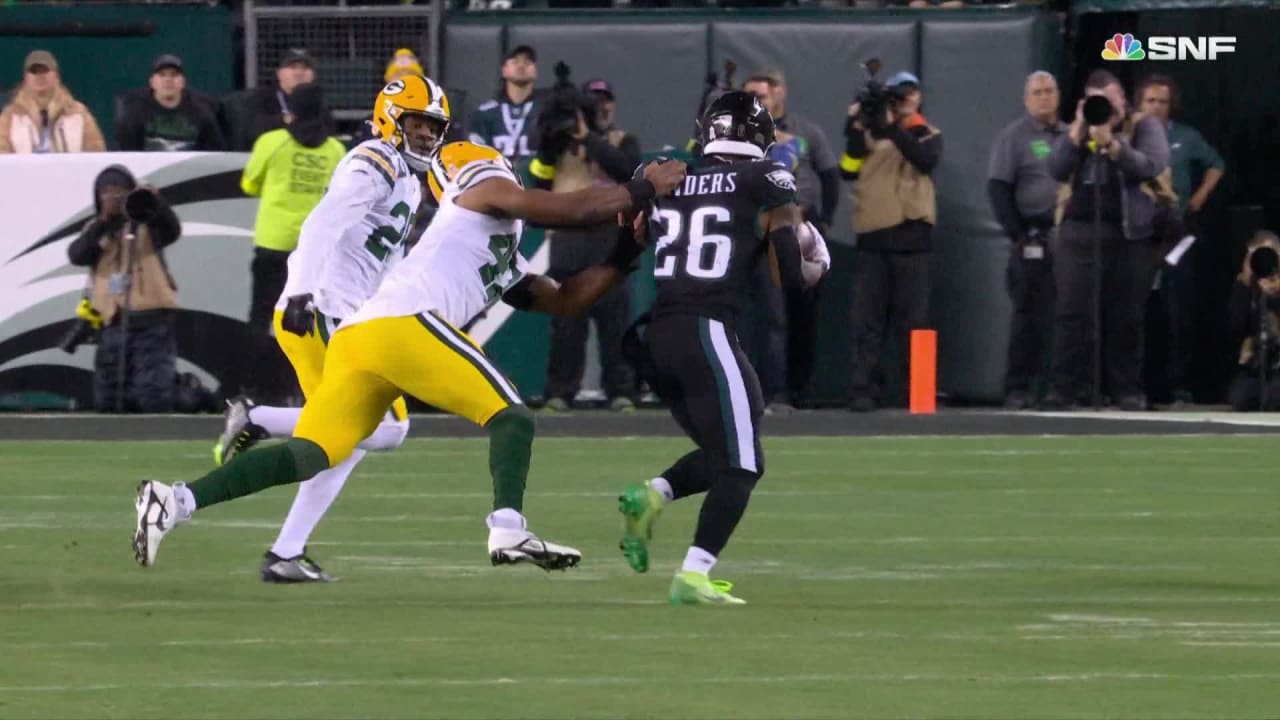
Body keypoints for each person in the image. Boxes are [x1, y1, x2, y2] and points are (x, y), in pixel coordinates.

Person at [133, 141, 687, 574]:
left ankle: (174, 500)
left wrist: (627, 249)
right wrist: (642, 186)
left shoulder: (494, 243)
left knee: (310, 455)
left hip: (360, 338)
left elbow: (568, 300)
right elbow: (563, 208)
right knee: (511, 416)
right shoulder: (477, 193)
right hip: (402, 325)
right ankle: (507, 526)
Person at [207, 76, 447, 582]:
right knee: (369, 429)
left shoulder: (406, 174)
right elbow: (321, 224)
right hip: (323, 308)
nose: (427, 135)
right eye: (418, 123)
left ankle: (285, 547)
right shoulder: (373, 162)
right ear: (389, 118)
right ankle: (261, 445)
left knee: (377, 432)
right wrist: (301, 290)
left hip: (352, 315)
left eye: (433, 127)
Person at [615, 92, 829, 606]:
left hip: (658, 332)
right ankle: (694, 574)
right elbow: (789, 281)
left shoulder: (666, 171)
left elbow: (633, 230)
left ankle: (652, 495)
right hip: (706, 328)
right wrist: (816, 263)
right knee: (744, 462)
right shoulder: (766, 178)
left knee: (725, 450)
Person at [1045, 69, 1170, 411]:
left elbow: (1152, 166)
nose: (1104, 106)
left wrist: (1114, 145)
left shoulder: (1144, 127)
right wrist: (1078, 131)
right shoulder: (1079, 127)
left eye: (1110, 98)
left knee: (1124, 316)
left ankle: (1126, 389)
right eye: (1096, 99)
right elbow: (1055, 168)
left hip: (1130, 232)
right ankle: (1068, 388)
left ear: (1123, 100)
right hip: (1079, 229)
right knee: (1073, 313)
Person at [536, 78, 643, 412]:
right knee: (566, 323)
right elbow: (540, 180)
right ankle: (560, 391)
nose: (600, 107)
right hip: (568, 238)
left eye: (605, 100)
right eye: (593, 101)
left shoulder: (623, 140)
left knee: (615, 321)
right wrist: (551, 140)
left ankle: (621, 390)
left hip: (609, 237)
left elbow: (627, 171)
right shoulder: (559, 144)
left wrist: (589, 138)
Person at [842, 71, 943, 412]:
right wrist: (857, 124)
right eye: (897, 95)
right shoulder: (870, 133)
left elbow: (925, 160)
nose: (903, 100)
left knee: (915, 323)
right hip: (873, 239)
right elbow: (847, 168)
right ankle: (862, 390)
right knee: (866, 322)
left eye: (909, 93)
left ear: (918, 97)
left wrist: (891, 128)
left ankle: (918, 393)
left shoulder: (926, 132)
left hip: (913, 240)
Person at [741, 69, 839, 413]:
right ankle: (770, 390)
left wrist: (824, 221)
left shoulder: (805, 131)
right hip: (758, 229)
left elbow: (830, 175)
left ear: (779, 93)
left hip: (798, 224)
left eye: (761, 96)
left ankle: (800, 388)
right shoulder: (740, 135)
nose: (754, 103)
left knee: (803, 312)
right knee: (767, 313)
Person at [1136, 74, 1226, 405]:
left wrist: (1199, 195)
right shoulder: (1130, 137)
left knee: (1180, 311)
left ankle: (1180, 386)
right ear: (1139, 104)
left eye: (1162, 101)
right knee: (1138, 310)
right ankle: (1137, 384)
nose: (1156, 107)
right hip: (1140, 235)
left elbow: (1217, 164)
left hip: (1178, 235)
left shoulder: (1185, 137)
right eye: (1150, 101)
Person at [66, 165, 182, 412]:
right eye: (106, 192)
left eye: (119, 191)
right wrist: (104, 223)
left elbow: (172, 231)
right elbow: (77, 255)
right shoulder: (96, 228)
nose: (112, 197)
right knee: (108, 397)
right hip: (112, 320)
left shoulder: (148, 223)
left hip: (152, 320)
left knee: (153, 395)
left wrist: (156, 204)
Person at [987, 71, 1068, 409]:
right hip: (1032, 234)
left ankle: (1057, 387)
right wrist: (1018, 235)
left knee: (1064, 315)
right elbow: (999, 188)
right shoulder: (1014, 137)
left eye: (1050, 90)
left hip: (1067, 235)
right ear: (1026, 99)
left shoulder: (1070, 135)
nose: (1044, 97)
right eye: (1037, 92)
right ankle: (1018, 387)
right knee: (1028, 314)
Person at [0, 50, 105, 153]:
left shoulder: (78, 113)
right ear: (26, 78)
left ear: (56, 76)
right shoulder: (10, 116)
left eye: (45, 70)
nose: (40, 76)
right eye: (34, 71)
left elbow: (96, 152)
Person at [116, 54, 225, 152]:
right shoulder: (135, 111)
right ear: (152, 82)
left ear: (183, 82)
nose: (168, 79)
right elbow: (127, 153)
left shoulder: (202, 112)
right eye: (162, 75)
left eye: (174, 75)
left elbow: (216, 152)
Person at [1226, 230, 1280, 411]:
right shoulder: (1248, 287)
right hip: (1261, 363)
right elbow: (1235, 326)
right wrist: (1244, 283)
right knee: (1240, 398)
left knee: (1274, 399)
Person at [468, 45, 539, 161]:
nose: (521, 66)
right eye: (515, 62)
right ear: (504, 70)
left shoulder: (547, 112)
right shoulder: (484, 114)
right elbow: (476, 159)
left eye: (527, 62)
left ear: (535, 71)